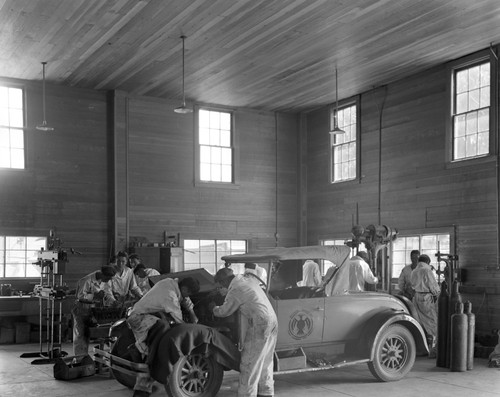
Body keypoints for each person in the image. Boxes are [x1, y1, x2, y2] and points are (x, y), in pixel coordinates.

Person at [126, 276, 200, 397]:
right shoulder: (170, 295)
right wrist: (190, 312)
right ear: (185, 289)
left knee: (162, 328)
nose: (187, 297)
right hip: (139, 319)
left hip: (142, 315)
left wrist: (187, 303)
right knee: (160, 341)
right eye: (188, 294)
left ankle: (143, 355)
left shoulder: (169, 282)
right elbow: (179, 322)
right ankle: (143, 383)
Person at [211, 267, 278, 397]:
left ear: (224, 282)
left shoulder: (236, 289)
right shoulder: (247, 280)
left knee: (249, 364)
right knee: (266, 361)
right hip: (272, 321)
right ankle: (266, 392)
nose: (220, 290)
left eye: (219, 287)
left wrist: (213, 308)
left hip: (260, 324)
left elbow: (225, 311)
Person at [71, 265, 117, 356]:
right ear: (102, 274)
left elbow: (107, 293)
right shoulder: (86, 280)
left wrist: (114, 301)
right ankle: (80, 359)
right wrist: (94, 296)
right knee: (81, 334)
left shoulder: (104, 280)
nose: (108, 281)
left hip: (92, 308)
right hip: (81, 308)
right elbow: (80, 296)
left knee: (90, 332)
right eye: (107, 278)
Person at [410, 254, 440, 358]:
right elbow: (433, 286)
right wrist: (439, 293)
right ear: (428, 262)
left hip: (416, 297)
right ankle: (433, 352)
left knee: (420, 323)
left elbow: (412, 285)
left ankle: (421, 349)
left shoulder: (414, 270)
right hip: (426, 298)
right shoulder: (427, 271)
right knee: (432, 324)